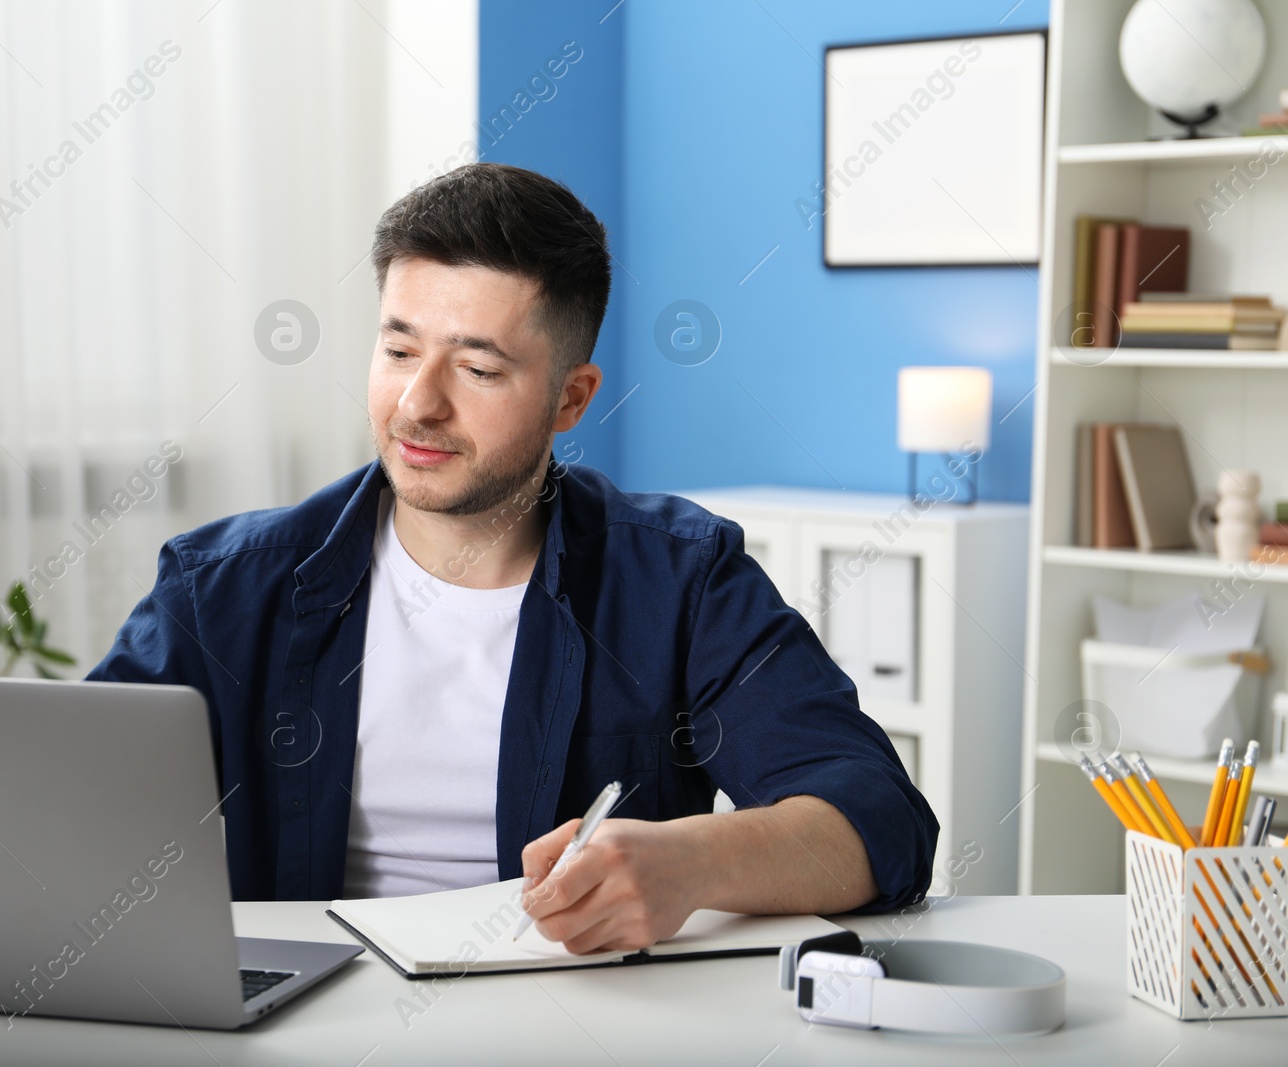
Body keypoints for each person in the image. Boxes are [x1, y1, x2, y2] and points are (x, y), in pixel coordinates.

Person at [89, 162, 937, 954]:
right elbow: (57, 796)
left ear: (571, 397)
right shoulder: (223, 586)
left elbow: (880, 821)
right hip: (300, 1027)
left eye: (478, 368)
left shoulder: (680, 579)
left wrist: (695, 861)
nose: (418, 404)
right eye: (398, 350)